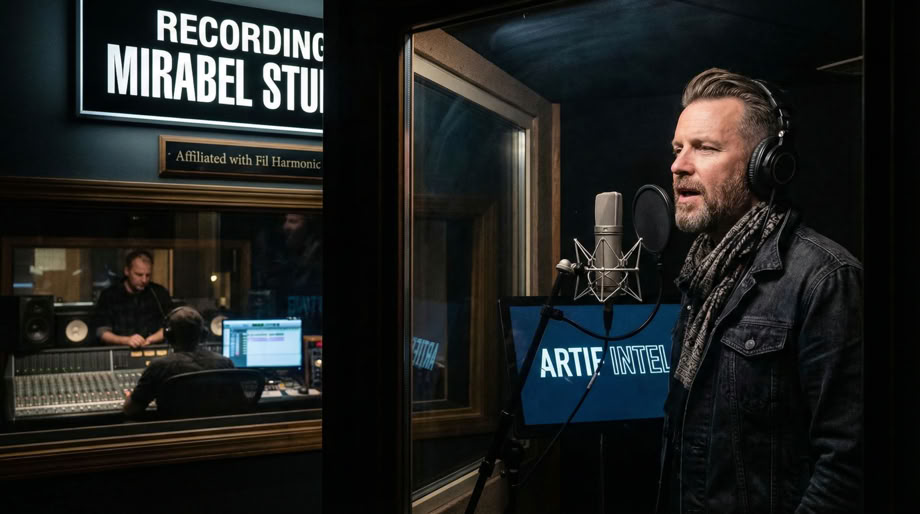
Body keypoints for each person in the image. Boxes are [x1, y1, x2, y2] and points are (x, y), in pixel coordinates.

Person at [657, 68, 863, 513]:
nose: (678, 166)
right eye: (678, 149)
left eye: (705, 148)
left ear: (766, 164)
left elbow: (847, 463)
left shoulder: (825, 278)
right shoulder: (701, 276)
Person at [122, 306, 234, 418]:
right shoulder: (224, 363)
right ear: (204, 334)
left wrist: (131, 397)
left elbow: (131, 409)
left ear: (169, 336)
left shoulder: (159, 367)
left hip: (173, 432)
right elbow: (239, 404)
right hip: (213, 432)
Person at [94, 250, 172, 348]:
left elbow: (171, 325)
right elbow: (102, 332)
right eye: (139, 275)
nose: (144, 280)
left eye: (148, 275)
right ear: (127, 271)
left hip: (152, 347)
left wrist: (152, 339)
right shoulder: (109, 295)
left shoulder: (159, 293)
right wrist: (126, 340)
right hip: (120, 349)